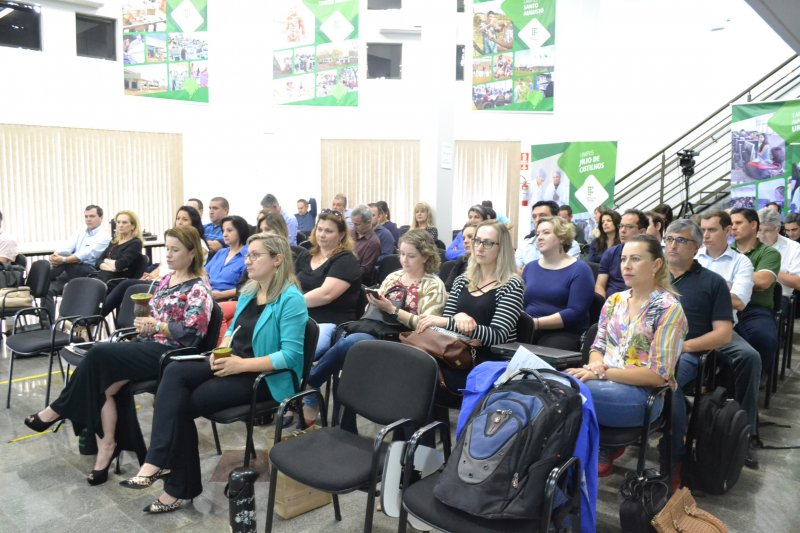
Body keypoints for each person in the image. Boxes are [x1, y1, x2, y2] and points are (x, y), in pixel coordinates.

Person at [119, 233, 307, 513]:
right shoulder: (250, 291)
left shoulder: (291, 299)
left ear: (277, 260)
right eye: (248, 255)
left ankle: (174, 484)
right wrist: (224, 348)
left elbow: (290, 356)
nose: (248, 260)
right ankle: (159, 464)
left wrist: (240, 365)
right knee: (174, 370)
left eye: (255, 255)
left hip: (263, 377)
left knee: (180, 404)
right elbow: (234, 330)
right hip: (231, 362)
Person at [23, 226, 213, 485]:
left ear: (192, 253)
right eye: (167, 248)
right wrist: (146, 324)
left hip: (170, 353)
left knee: (99, 353)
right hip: (148, 344)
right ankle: (106, 449)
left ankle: (57, 409)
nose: (168, 254)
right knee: (100, 383)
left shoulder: (199, 288)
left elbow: (192, 335)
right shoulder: (167, 280)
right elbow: (155, 316)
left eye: (175, 250)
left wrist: (158, 326)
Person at [567, 235, 687, 478]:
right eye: (623, 259)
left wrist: (601, 373)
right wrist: (595, 364)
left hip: (642, 395)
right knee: (556, 390)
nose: (626, 266)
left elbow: (657, 376)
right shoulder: (615, 300)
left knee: (566, 394)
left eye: (635, 259)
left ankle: (563, 473)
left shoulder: (669, 308)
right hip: (602, 382)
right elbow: (598, 345)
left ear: (656, 265)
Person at [301, 229, 447, 426]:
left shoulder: (433, 285)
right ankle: (343, 429)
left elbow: (426, 326)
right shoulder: (394, 277)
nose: (404, 260)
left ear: (426, 256)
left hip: (408, 340)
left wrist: (393, 310)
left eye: (411, 256)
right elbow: (372, 313)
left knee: (354, 343)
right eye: (402, 254)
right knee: (350, 363)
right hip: (380, 331)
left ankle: (311, 379)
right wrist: (375, 302)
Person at [664, 219, 756, 483]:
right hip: (647, 348)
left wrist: (683, 347)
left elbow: (723, 334)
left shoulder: (712, 282)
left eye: (681, 240)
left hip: (689, 353)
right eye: (669, 239)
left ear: (696, 247)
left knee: (667, 382)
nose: (672, 245)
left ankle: (675, 457)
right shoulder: (653, 276)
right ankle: (615, 440)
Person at [419, 220, 524, 407]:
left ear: (502, 248)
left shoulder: (511, 284)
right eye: (477, 241)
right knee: (416, 365)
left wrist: (455, 323)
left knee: (423, 376)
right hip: (456, 353)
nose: (479, 247)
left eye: (488, 243)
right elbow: (446, 327)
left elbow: (498, 335)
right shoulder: (462, 280)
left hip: (487, 361)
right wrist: (457, 320)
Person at [696, 209, 761, 468]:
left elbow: (740, 301)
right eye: (703, 230)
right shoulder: (693, 256)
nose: (706, 235)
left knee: (749, 357)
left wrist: (707, 292)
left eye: (712, 230)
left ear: (727, 231)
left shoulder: (740, 262)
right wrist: (720, 290)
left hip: (720, 326)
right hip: (688, 324)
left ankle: (745, 433)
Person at [102, 207, 206, 318]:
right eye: (178, 218)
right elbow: (162, 266)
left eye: (185, 219)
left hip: (170, 282)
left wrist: (156, 324)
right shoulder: (174, 243)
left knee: (125, 285)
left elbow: (186, 268)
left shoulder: (198, 245)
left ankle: (96, 316)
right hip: (163, 280)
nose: (180, 222)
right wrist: (152, 275)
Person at [295, 209, 362, 356]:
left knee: (294, 354)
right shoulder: (305, 256)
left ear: (341, 235)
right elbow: (289, 285)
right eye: (319, 229)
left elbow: (325, 295)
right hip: (298, 316)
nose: (322, 234)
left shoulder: (346, 260)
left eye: (328, 231)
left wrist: (289, 304)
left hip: (328, 322)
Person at [521, 216, 594, 350]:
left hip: (564, 332)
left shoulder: (580, 270)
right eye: (538, 234)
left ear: (561, 237)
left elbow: (575, 312)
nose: (539, 237)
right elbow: (523, 304)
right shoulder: (530, 267)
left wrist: (535, 323)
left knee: (542, 353)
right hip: (530, 327)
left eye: (546, 233)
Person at [730, 208, 780, 375]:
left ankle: (757, 377)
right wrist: (749, 281)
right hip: (726, 305)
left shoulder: (769, 253)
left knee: (764, 338)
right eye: (731, 223)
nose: (733, 227)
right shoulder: (726, 251)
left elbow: (763, 281)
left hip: (755, 308)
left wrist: (730, 277)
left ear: (753, 225)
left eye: (738, 223)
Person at [45, 205, 111, 317]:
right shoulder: (80, 232)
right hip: (70, 268)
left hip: (89, 271)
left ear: (101, 218)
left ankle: (45, 276)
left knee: (63, 257)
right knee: (47, 289)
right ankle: (47, 324)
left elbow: (85, 254)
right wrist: (55, 255)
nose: (88, 219)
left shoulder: (104, 236)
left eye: (92, 216)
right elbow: (67, 247)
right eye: (86, 216)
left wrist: (63, 259)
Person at [595, 209, 648, 298]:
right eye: (621, 226)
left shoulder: (649, 257)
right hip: (610, 302)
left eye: (629, 227)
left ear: (642, 232)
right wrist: (605, 303)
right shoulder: (610, 253)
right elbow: (600, 285)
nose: (622, 230)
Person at [515, 201, 581, 271]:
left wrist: (527, 270)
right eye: (534, 217)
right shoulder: (525, 244)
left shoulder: (572, 245)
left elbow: (561, 271)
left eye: (542, 216)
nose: (537, 220)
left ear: (556, 218)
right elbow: (514, 271)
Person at [758, 207, 800, 299]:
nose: (762, 236)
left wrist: (770, 271)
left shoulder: (794, 248)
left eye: (767, 231)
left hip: (780, 299)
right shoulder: (750, 243)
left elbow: (798, 282)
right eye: (759, 230)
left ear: (777, 229)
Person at [205, 215, 250, 301]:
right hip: (208, 294)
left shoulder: (248, 255)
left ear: (240, 231)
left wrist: (222, 295)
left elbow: (247, 286)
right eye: (223, 231)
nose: (224, 234)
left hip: (227, 299)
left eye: (229, 230)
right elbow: (205, 272)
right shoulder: (221, 252)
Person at [93, 210, 144, 284]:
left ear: (133, 226)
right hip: (103, 276)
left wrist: (106, 261)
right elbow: (98, 261)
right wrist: (112, 266)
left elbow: (120, 265)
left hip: (119, 280)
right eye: (118, 222)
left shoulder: (135, 243)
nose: (120, 225)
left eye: (124, 222)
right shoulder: (115, 241)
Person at [350, 205, 381, 284]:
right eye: (353, 223)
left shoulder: (373, 243)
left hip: (357, 282)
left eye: (357, 224)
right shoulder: (351, 233)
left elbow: (364, 271)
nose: (354, 227)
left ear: (368, 222)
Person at [443, 222, 477, 292]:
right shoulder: (461, 260)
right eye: (463, 238)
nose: (465, 241)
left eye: (470, 237)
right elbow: (448, 287)